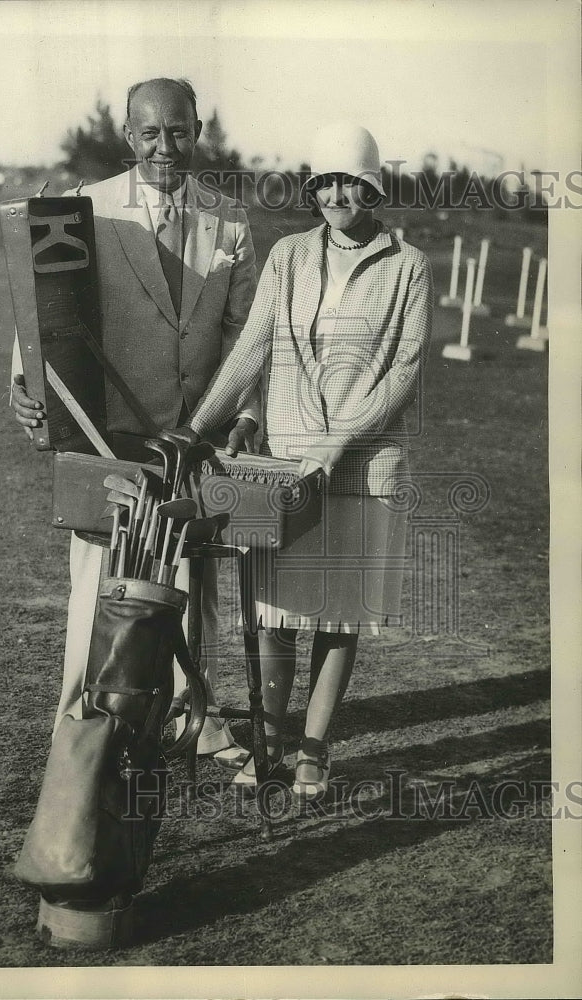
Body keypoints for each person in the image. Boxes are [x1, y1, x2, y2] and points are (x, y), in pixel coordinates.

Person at [175, 122, 433, 803]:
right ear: (313, 187)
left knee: (340, 619)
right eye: (327, 182)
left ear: (373, 188)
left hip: (363, 467)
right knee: (276, 617)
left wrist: (337, 444)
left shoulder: (408, 266)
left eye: (353, 182)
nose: (338, 195)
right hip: (284, 468)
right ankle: (267, 748)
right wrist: (196, 429)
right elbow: (251, 348)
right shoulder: (288, 256)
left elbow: (401, 376)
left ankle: (314, 754)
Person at [10, 77, 259, 764]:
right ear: (128, 135)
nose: (165, 147)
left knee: (196, 585)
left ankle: (197, 716)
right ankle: (81, 719)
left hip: (197, 433)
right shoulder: (85, 208)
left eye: (177, 131)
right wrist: (25, 387)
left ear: (198, 129)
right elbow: (46, 310)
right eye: (149, 133)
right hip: (109, 432)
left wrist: (244, 411)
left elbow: (246, 333)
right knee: (97, 580)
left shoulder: (230, 221)